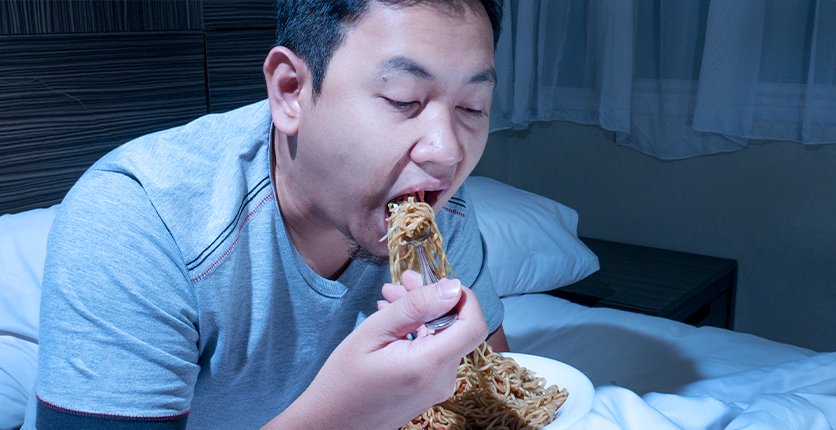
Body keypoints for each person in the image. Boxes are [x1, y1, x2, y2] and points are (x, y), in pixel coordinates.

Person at [25, 0, 507, 428]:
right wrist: (346, 416)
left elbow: (497, 388)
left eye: (473, 106)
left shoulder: (440, 211)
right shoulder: (136, 220)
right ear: (291, 89)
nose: (446, 153)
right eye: (403, 99)